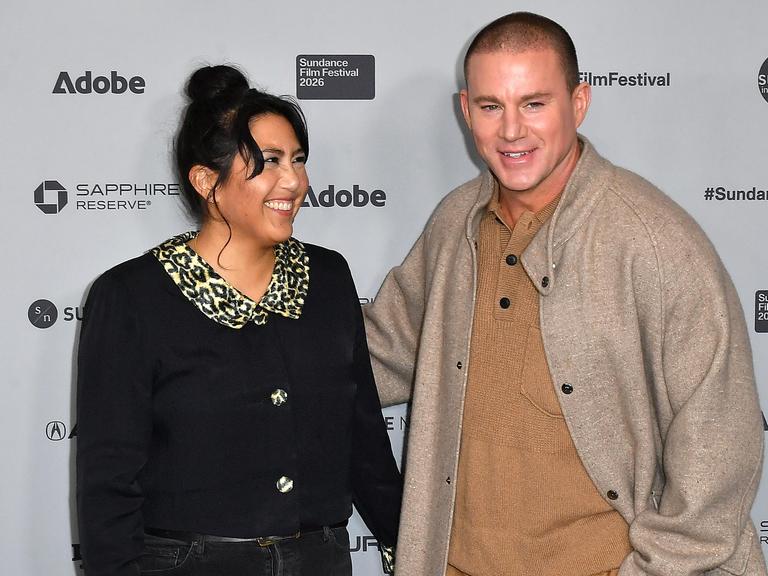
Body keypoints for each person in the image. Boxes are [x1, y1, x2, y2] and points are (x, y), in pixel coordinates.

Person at [363, 12, 766, 576]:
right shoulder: (454, 222)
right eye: (490, 106)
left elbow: (719, 447)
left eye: (534, 103)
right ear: (465, 111)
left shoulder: (652, 239)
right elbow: (376, 354)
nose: (511, 131)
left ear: (578, 103)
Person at [76, 64, 401, 576]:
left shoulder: (329, 277)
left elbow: (362, 435)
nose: (294, 181)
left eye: (297, 160)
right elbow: (109, 483)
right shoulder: (131, 297)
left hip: (319, 561)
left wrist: (407, 541)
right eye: (269, 162)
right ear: (208, 181)